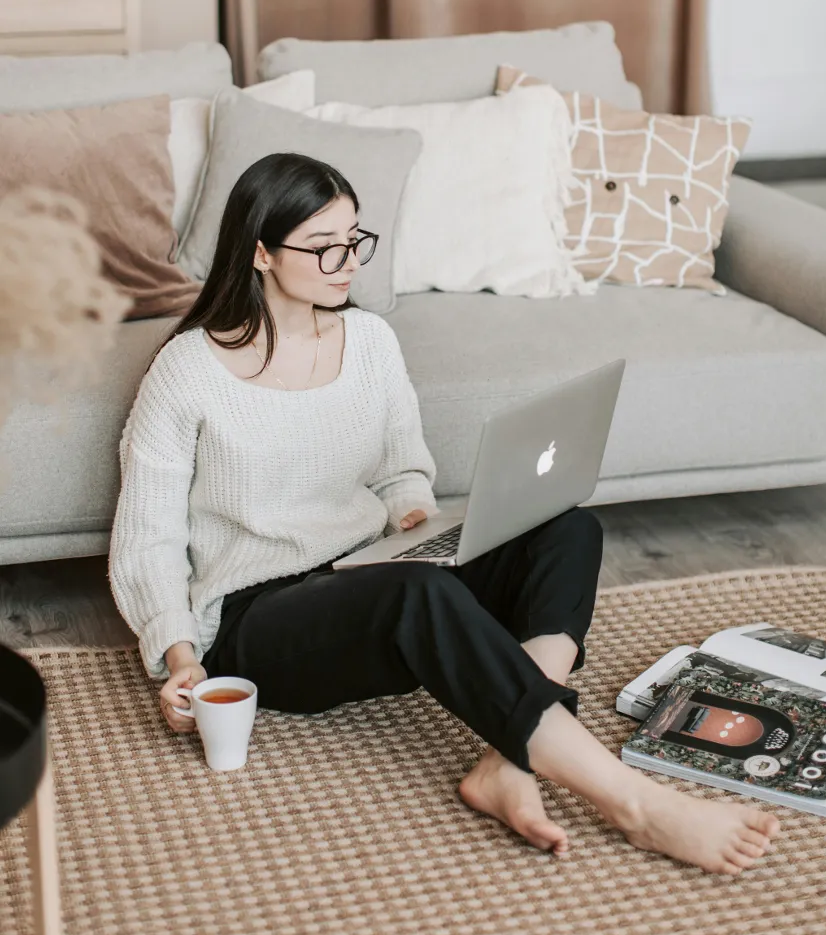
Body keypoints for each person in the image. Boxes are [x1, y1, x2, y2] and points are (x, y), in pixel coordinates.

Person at [108, 152, 779, 874]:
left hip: (370, 570)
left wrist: (414, 521)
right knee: (416, 595)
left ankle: (506, 758)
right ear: (261, 253)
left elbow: (401, 471)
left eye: (355, 240)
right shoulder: (188, 371)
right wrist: (180, 657)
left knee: (567, 528)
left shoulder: (369, 342)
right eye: (325, 246)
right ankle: (634, 803)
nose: (347, 262)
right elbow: (147, 542)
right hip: (256, 617)